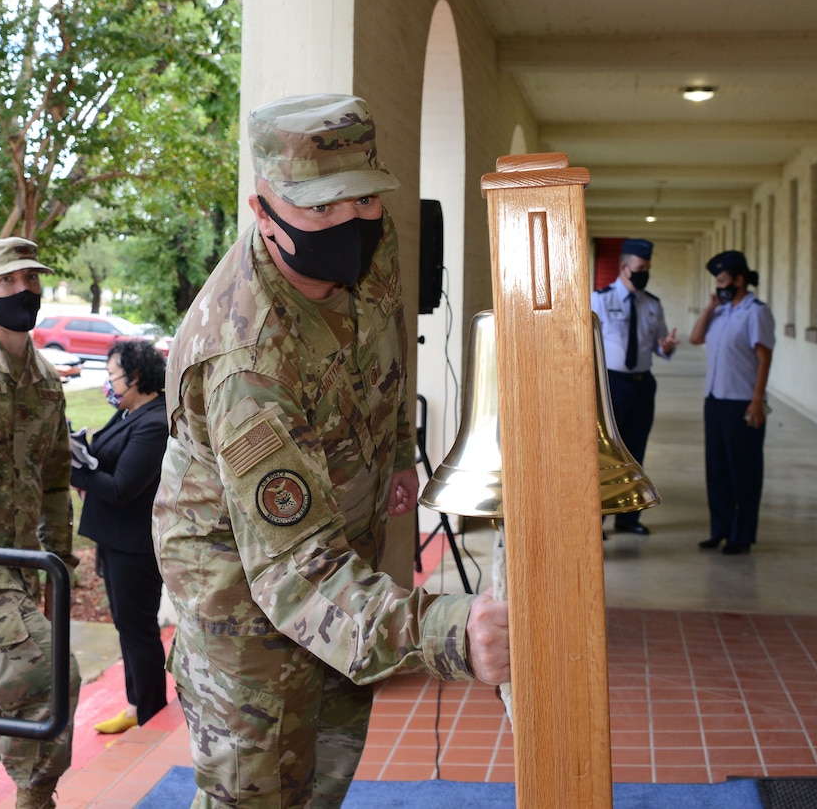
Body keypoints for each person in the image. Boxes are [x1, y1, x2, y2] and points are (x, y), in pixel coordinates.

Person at [152, 93, 511, 808]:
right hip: (245, 593)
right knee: (257, 788)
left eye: (361, 200)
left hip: (340, 547)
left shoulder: (371, 240)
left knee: (326, 766)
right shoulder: (243, 362)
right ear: (264, 211)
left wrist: (396, 454)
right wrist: (449, 630)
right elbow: (293, 575)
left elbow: (384, 346)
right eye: (320, 208)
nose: (348, 221)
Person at [0, 237, 81, 809]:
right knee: (51, 678)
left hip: (23, 570)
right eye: (7, 282)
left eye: (31, 279)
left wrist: (61, 565)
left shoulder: (46, 379)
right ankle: (36, 799)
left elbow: (56, 481)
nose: (23, 290)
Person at [71, 339, 169, 734]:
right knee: (126, 627)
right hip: (115, 540)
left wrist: (74, 467)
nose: (109, 385)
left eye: (113, 377)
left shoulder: (155, 422)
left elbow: (122, 487)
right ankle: (136, 704)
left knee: (138, 629)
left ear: (137, 376)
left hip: (135, 548)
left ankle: (150, 712)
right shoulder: (130, 412)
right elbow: (104, 459)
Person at [689, 250, 775, 555]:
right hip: (715, 400)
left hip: (741, 402)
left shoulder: (756, 312)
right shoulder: (722, 312)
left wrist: (757, 400)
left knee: (745, 472)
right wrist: (710, 308)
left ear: (740, 280)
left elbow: (764, 359)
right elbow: (695, 338)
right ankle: (720, 529)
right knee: (718, 469)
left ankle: (741, 536)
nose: (719, 286)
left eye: (724, 280)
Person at [591, 237, 678, 535]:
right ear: (625, 267)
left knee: (635, 451)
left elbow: (661, 345)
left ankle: (629, 517)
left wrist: (666, 347)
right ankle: (598, 518)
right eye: (641, 267)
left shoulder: (652, 304)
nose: (644, 273)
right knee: (605, 454)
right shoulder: (600, 299)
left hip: (643, 386)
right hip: (611, 385)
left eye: (648, 268)